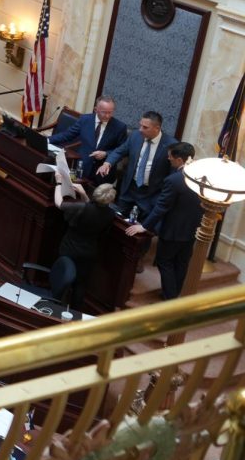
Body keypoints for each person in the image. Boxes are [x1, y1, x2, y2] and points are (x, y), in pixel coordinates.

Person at [127, 142, 202, 300]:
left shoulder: (173, 180)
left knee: (164, 262)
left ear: (180, 160)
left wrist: (145, 226)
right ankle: (174, 293)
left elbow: (161, 208)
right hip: (192, 230)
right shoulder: (202, 176)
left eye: (170, 157)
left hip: (172, 231)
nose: (168, 159)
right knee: (181, 264)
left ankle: (170, 298)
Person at [53, 181, 117, 313]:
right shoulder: (110, 214)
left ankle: (56, 310)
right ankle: (75, 314)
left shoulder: (82, 207)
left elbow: (59, 204)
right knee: (80, 285)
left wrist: (59, 183)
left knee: (63, 280)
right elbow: (94, 210)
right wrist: (83, 194)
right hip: (89, 252)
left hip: (69, 248)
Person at [96, 110, 175, 216]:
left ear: (157, 128)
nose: (140, 130)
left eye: (145, 127)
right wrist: (107, 163)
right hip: (129, 188)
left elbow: (172, 174)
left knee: (139, 227)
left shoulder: (171, 145)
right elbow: (120, 151)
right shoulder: (135, 136)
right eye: (140, 125)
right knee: (118, 219)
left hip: (150, 194)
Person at [49, 95, 128, 183]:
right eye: (104, 112)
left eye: (110, 112)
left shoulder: (120, 127)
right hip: (81, 168)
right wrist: (47, 140)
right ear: (96, 110)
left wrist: (106, 153)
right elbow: (67, 135)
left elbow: (122, 151)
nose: (107, 116)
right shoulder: (85, 119)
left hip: (102, 174)